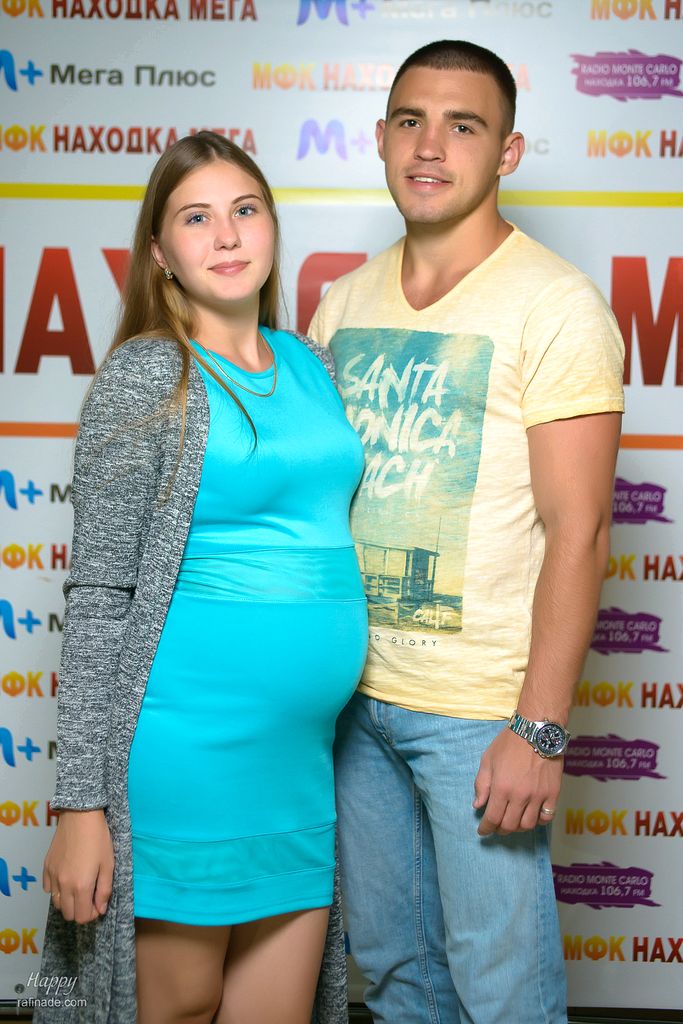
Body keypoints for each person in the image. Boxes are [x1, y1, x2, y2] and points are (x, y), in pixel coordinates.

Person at [308, 40, 625, 1024]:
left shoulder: (554, 304)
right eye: (410, 121)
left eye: (463, 125)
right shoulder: (341, 303)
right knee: (395, 979)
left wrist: (537, 728)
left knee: (503, 994)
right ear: (380, 138)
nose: (430, 146)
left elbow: (579, 530)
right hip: (350, 703)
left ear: (507, 152)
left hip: (479, 715)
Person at [36, 130, 368, 1024]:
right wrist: (79, 806)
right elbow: (100, 597)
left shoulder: (311, 365)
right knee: (173, 1009)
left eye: (244, 210)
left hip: (296, 769)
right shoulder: (149, 374)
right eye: (196, 218)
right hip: (182, 757)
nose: (226, 236)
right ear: (161, 254)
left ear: (271, 228)